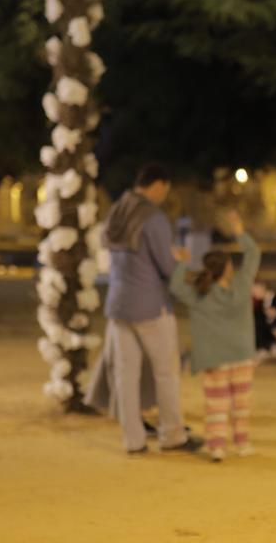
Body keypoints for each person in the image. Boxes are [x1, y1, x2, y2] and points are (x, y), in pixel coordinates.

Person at [103, 163, 201, 456]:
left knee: (126, 374)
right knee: (166, 371)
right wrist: (181, 259)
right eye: (165, 190)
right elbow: (166, 267)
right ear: (158, 184)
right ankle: (172, 434)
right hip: (149, 305)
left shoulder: (118, 209)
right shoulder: (153, 217)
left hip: (119, 303)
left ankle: (132, 439)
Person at [169, 211, 261, 462]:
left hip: (214, 358)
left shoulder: (200, 296)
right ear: (228, 269)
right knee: (241, 403)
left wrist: (181, 263)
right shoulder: (241, 288)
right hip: (242, 354)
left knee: (216, 405)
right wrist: (238, 230)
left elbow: (176, 287)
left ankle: (217, 446)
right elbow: (253, 255)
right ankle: (242, 443)